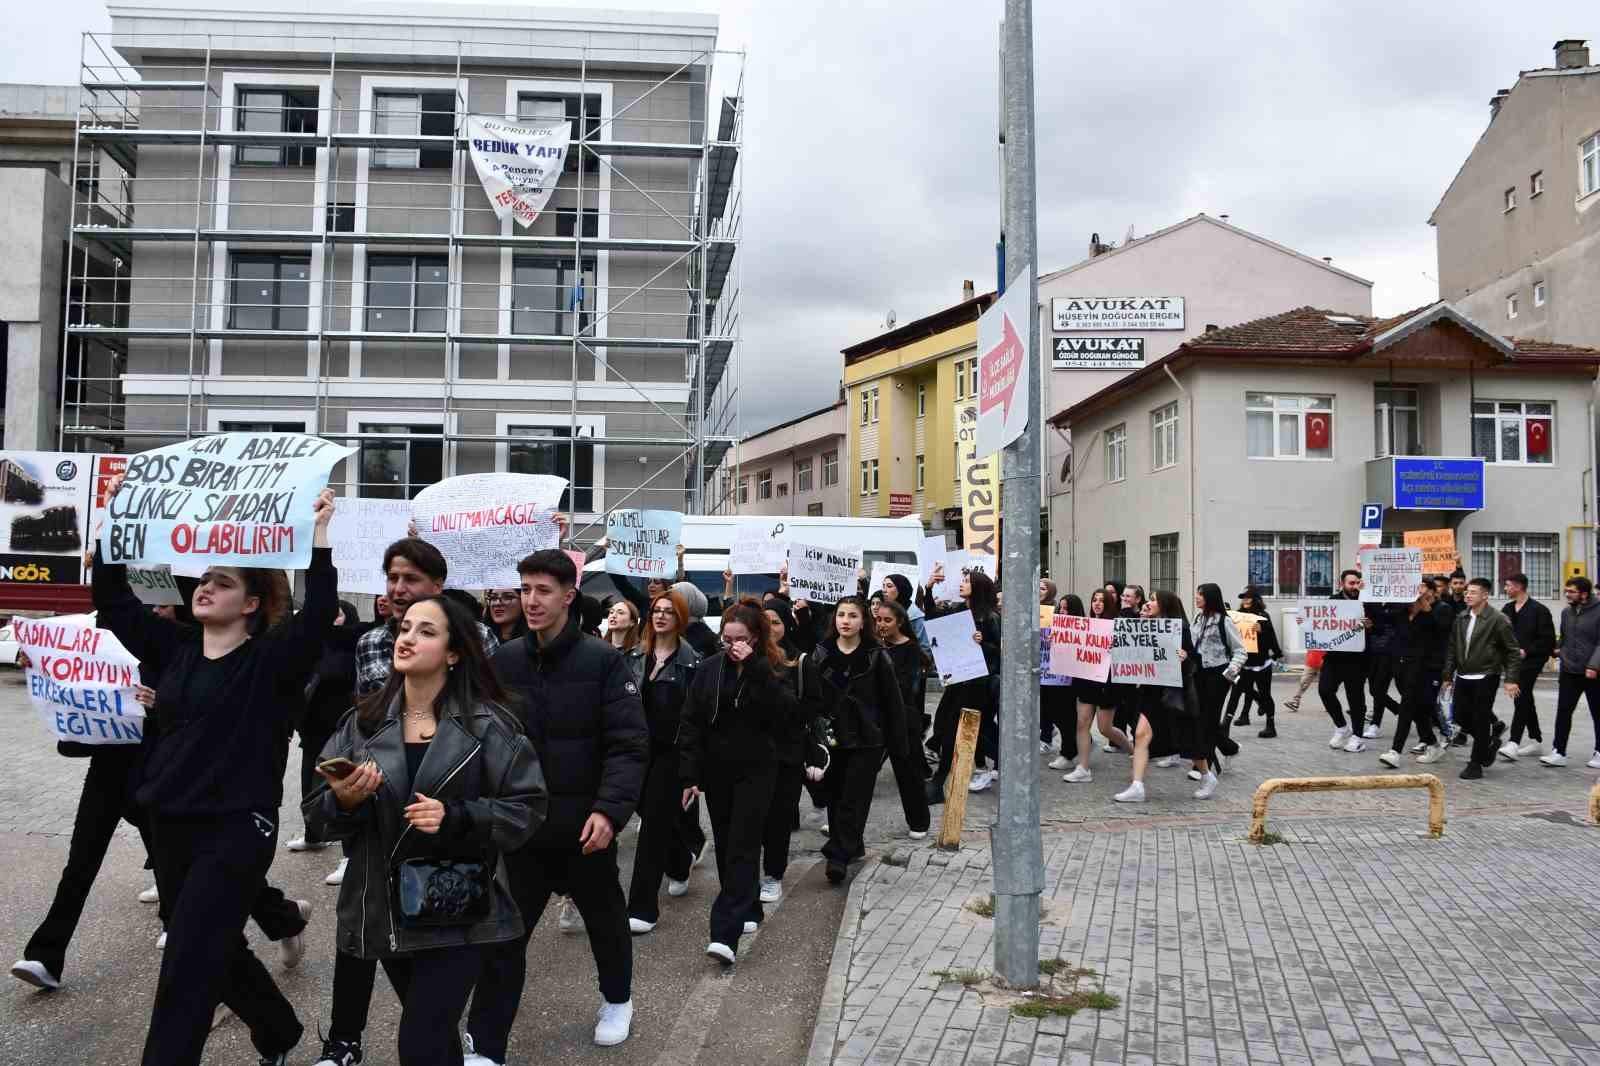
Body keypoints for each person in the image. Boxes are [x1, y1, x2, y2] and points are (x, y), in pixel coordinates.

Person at [90, 476, 337, 1066]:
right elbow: (115, 600)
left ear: (250, 603)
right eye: (204, 579)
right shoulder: (173, 646)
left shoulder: (271, 660)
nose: (204, 587)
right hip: (170, 821)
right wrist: (112, 527)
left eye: (221, 582)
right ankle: (277, 1029)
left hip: (236, 827)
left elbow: (320, 611)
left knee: (186, 955)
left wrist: (321, 537)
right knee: (215, 947)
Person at [305, 596, 546, 1066]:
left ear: (454, 653)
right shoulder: (362, 723)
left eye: (426, 631)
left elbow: (527, 808)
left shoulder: (488, 725)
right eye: (405, 628)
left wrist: (458, 816)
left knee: (419, 1040)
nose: (408, 638)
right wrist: (346, 801)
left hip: (458, 909)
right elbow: (316, 813)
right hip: (385, 908)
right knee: (435, 1041)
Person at [468, 549, 648, 1056]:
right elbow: (485, 740)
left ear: (569, 596)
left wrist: (609, 811)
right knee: (504, 940)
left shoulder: (604, 662)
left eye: (542, 590)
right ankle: (486, 1042)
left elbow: (629, 744)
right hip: (523, 829)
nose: (530, 600)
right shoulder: (503, 662)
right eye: (524, 589)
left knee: (605, 919)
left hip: (584, 827)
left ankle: (618, 1000)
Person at [10, 660, 157, 990]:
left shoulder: (179, 641)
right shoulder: (106, 639)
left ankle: (277, 916)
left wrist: (161, 703)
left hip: (156, 770)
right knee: (80, 863)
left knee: (170, 853)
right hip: (107, 771)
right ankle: (46, 956)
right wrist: (42, 666)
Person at [678, 597, 806, 962]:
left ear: (755, 638)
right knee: (725, 844)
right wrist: (690, 773)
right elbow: (691, 722)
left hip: (758, 770)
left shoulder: (774, 669)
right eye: (727, 638)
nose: (733, 645)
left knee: (744, 845)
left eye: (741, 639)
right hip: (718, 771)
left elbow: (787, 714)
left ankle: (724, 933)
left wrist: (755, 669)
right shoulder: (709, 669)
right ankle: (748, 905)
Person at [624, 590, 701, 932]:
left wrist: (692, 769)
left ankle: (642, 907)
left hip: (670, 755)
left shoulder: (691, 662)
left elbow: (696, 720)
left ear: (680, 618)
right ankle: (681, 858)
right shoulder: (634, 657)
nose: (661, 616)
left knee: (653, 825)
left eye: (669, 611)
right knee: (649, 814)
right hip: (635, 751)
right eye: (657, 610)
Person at [285, 599, 363, 855]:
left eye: (338, 615)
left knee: (338, 789)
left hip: (337, 731)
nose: (333, 620)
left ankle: (346, 851)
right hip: (311, 730)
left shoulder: (351, 649)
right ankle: (313, 834)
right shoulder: (317, 647)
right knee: (310, 786)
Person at [757, 597, 820, 902]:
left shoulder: (800, 662)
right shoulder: (748, 657)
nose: (771, 629)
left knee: (780, 816)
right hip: (752, 751)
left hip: (787, 751)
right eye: (765, 622)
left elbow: (809, 708)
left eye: (777, 622)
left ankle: (773, 873)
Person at [1113, 591, 1199, 803]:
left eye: (1153, 600)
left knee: (1184, 737)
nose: (1148, 603)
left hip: (1171, 693)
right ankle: (1137, 786)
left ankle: (1207, 775)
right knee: (1141, 735)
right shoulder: (1145, 625)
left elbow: (1195, 661)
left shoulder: (1181, 629)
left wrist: (1185, 657)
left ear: (1164, 604)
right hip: (1150, 691)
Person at [922, 566, 1001, 798]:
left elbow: (999, 652)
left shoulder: (990, 617)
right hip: (957, 681)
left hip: (978, 685)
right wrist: (928, 589)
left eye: (966, 580)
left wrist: (983, 642)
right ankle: (941, 782)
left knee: (964, 731)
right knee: (947, 728)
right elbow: (933, 618)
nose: (961, 583)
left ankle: (941, 782)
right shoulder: (957, 610)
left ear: (977, 587)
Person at [1440, 578, 1521, 779]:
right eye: (1467, 592)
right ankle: (1489, 743)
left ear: (1485, 595)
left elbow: (1512, 651)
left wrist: (1511, 679)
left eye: (1473, 592)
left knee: (1481, 717)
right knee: (1459, 716)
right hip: (1464, 675)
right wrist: (1448, 675)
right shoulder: (1461, 617)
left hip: (1486, 674)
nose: (1467, 595)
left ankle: (1475, 764)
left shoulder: (1498, 619)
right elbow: (1452, 647)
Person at [873, 597, 932, 840]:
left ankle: (919, 822)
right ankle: (842, 824)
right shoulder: (874, 646)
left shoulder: (911, 650)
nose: (881, 625)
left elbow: (906, 686)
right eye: (878, 620)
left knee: (909, 773)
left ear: (900, 622)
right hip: (874, 720)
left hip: (902, 720)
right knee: (859, 774)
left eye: (887, 620)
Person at [1378, 580, 1451, 767]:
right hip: (1402, 668)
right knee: (1417, 711)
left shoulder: (1433, 615)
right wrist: (1365, 593)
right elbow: (1378, 617)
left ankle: (1395, 751)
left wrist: (1423, 605)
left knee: (1407, 707)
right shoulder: (1401, 615)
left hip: (1425, 671)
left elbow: (1437, 632)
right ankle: (1434, 745)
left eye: (1421, 590)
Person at [1061, 590, 1129, 784]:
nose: (1097, 604)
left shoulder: (1117, 625)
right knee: (1082, 723)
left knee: (1105, 728)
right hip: (1086, 679)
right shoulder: (1084, 625)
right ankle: (1083, 768)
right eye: (1094, 600)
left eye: (1102, 600)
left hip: (1107, 682)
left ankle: (1133, 749)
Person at [1539, 575, 1600, 768]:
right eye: (1566, 591)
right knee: (1563, 711)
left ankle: (1599, 752)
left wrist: (1593, 666)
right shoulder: (1567, 612)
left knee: (1597, 712)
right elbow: (1564, 637)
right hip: (1569, 670)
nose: (1567, 594)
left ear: (1584, 593)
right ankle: (1559, 751)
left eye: (1571, 591)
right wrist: (1558, 650)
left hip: (1593, 672)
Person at [1190, 583, 1246, 792]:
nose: (1196, 598)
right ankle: (1229, 748)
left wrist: (1229, 674)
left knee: (1209, 719)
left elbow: (1241, 651)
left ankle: (1205, 766)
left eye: (1200, 595)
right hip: (1199, 674)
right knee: (1201, 717)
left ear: (1210, 598)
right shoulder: (1199, 619)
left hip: (1218, 675)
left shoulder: (1225, 621)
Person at [1498, 572, 1555, 761]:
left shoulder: (1539, 610)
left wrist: (1526, 651)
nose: (1505, 589)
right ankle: (1536, 740)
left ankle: (1513, 742)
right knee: (1524, 698)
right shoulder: (1507, 608)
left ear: (1518, 586)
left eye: (1507, 585)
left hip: (1532, 661)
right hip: (1512, 661)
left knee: (1520, 695)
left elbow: (1547, 640)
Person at [1320, 569, 1377, 752]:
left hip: (1357, 659)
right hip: (1334, 657)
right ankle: (1342, 727)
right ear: (1342, 584)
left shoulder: (1368, 602)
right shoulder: (1332, 601)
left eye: (1357, 583)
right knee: (1325, 691)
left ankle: (1357, 736)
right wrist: (1305, 622)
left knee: (1356, 699)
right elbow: (1321, 621)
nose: (1354, 587)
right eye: (1351, 583)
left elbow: (1380, 626)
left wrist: (1370, 626)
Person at [1224, 587, 1285, 738]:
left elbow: (1271, 637)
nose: (1244, 600)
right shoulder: (1236, 617)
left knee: (1265, 695)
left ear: (1255, 599)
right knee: (1235, 694)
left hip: (1262, 664)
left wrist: (1263, 633)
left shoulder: (1263, 617)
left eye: (1248, 597)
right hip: (1243, 664)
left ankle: (1270, 725)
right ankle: (1225, 726)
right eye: (1243, 597)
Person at [882, 572, 930, 652]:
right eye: (883, 586)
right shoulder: (885, 610)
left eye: (889, 586)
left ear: (901, 589)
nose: (884, 590)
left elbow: (925, 647)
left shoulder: (916, 616)